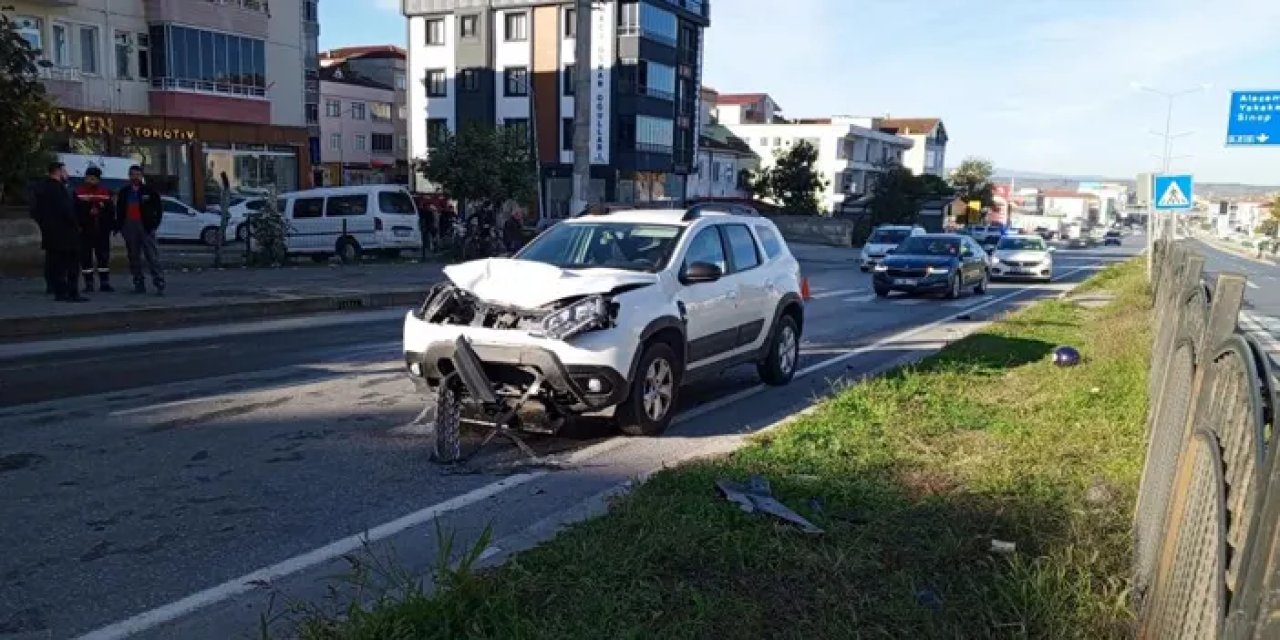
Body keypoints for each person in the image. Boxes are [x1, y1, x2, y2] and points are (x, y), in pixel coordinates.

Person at [30, 162, 86, 302]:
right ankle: (71, 292)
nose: (66, 174)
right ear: (58, 172)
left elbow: (35, 211)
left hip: (51, 233)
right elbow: (67, 210)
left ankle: (58, 291)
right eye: (64, 171)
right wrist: (76, 224)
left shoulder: (41, 188)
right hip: (66, 233)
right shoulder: (59, 189)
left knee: (55, 264)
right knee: (71, 264)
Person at [114, 165, 165, 295]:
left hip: (145, 226)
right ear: (129, 176)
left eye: (138, 174)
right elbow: (119, 210)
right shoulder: (124, 192)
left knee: (152, 256)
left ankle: (159, 282)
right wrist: (120, 226)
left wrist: (154, 224)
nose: (135, 177)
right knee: (133, 257)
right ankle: (138, 283)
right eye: (132, 174)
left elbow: (158, 209)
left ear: (142, 176)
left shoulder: (149, 191)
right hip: (129, 226)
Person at [74, 166, 116, 292]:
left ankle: (104, 283)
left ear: (98, 180)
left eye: (93, 178)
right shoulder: (78, 192)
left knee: (103, 257)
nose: (90, 181)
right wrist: (87, 211)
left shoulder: (105, 193)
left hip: (101, 231)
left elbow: (110, 212)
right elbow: (75, 211)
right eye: (88, 178)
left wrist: (102, 216)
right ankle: (89, 283)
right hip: (85, 231)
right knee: (85, 258)